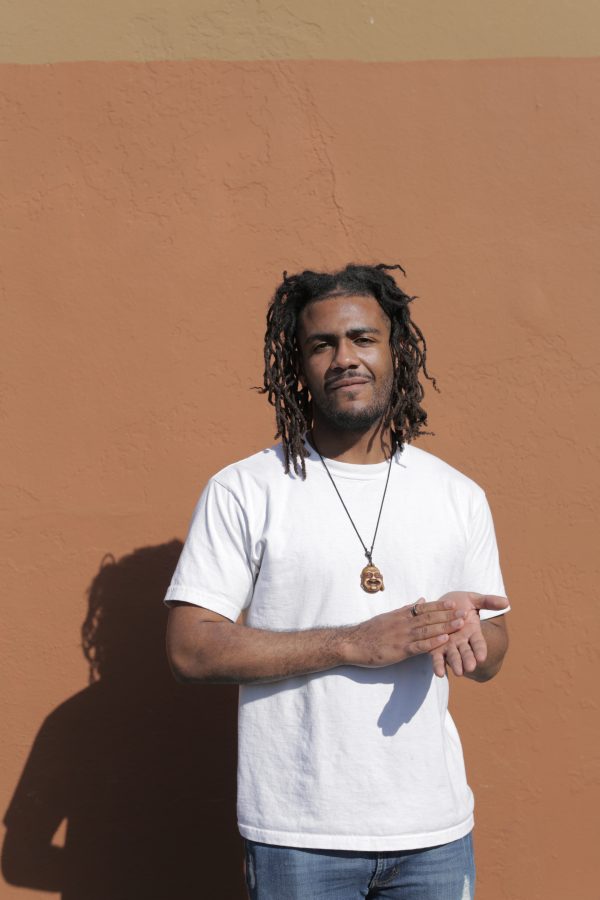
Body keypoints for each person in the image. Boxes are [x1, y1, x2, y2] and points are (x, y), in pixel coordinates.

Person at [165, 263, 509, 900]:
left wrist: (468, 632)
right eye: (322, 344)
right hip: (298, 835)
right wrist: (352, 642)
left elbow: (494, 653)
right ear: (297, 365)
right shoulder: (244, 490)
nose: (345, 358)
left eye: (363, 338)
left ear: (396, 351)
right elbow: (190, 649)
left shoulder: (457, 494)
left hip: (434, 831)